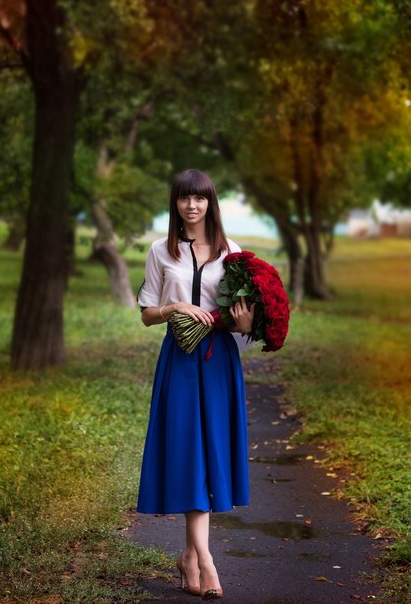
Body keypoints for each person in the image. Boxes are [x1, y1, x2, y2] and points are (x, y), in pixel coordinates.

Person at [137, 169, 255, 600]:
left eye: (200, 198)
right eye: (184, 198)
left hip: (219, 360)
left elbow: (243, 318)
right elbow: (148, 312)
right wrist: (175, 307)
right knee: (189, 453)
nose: (192, 205)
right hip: (180, 360)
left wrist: (244, 323)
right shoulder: (159, 251)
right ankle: (206, 560)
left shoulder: (233, 253)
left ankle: (190, 557)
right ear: (176, 204)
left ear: (210, 203)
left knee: (211, 454)